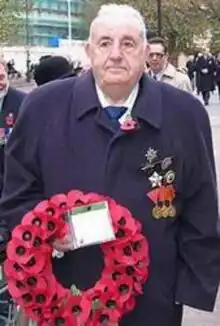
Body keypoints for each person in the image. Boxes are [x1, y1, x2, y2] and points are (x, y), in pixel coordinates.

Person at [0, 4, 220, 326]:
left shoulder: (184, 114)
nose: (116, 54)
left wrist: (186, 290)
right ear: (89, 51)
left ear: (146, 52)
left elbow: (201, 205)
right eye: (105, 43)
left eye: (128, 43)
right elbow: (16, 194)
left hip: (153, 298)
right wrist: (46, 232)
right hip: (65, 294)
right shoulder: (42, 108)